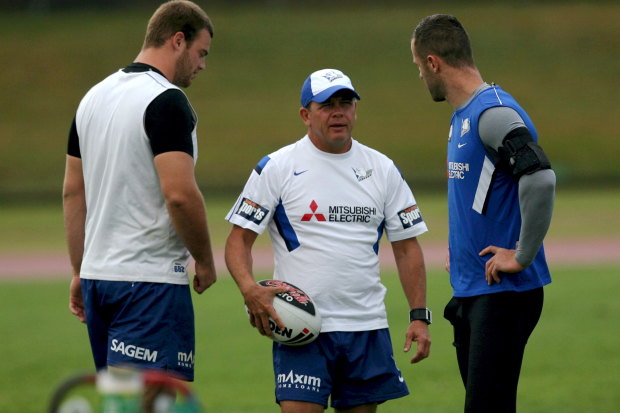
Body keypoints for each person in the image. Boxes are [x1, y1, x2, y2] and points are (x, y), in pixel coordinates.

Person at [224, 68, 431, 413]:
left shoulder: (382, 168)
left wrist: (419, 316)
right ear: (306, 115)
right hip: (301, 324)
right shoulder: (277, 167)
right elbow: (238, 240)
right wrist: (249, 289)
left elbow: (407, 247)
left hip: (366, 326)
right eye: (327, 104)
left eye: (346, 103)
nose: (339, 112)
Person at [62, 0, 217, 384]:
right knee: (157, 404)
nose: (202, 65)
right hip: (150, 283)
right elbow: (180, 194)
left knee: (122, 403)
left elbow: (72, 193)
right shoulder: (165, 100)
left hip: (99, 280)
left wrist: (80, 270)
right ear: (178, 40)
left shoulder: (92, 99)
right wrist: (206, 259)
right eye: (201, 53)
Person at [410, 14, 556, 413]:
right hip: (475, 290)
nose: (420, 77)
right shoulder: (463, 117)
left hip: (504, 294)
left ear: (434, 62)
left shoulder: (491, 113)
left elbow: (540, 177)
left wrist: (521, 255)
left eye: (419, 67)